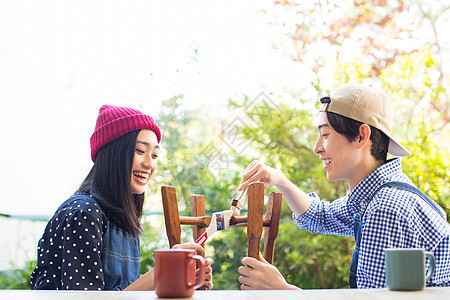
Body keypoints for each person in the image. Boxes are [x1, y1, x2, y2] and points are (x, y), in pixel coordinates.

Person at [237, 83, 450, 289]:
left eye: (325, 135)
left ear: (361, 136)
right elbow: (319, 215)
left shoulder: (384, 209)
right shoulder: (375, 196)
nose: (316, 148)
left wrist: (282, 291)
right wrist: (279, 180)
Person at [30, 104, 213, 291]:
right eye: (140, 151)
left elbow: (124, 291)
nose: (149, 164)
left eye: (155, 155)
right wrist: (162, 271)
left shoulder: (123, 218)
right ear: (113, 153)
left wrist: (180, 279)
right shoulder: (83, 213)